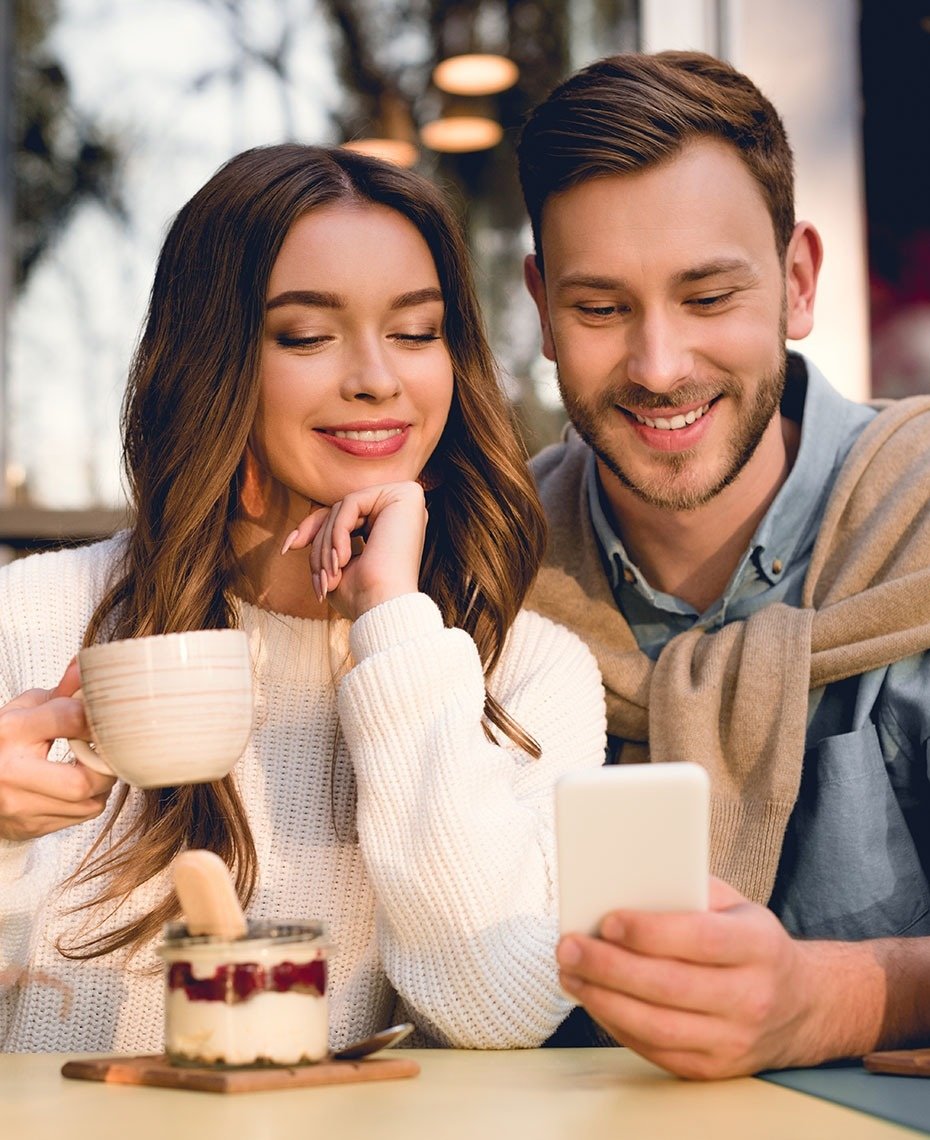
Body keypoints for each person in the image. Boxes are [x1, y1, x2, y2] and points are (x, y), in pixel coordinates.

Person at [0, 144, 606, 1053]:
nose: (376, 377)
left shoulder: (527, 669)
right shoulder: (31, 616)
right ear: (216, 362)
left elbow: (500, 1007)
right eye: (306, 335)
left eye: (414, 331)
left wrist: (394, 624)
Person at [516, 50, 930, 1078]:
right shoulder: (488, 567)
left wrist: (834, 1000)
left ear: (796, 283)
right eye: (601, 310)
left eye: (707, 298)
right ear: (540, 308)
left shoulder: (920, 513)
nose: (659, 368)